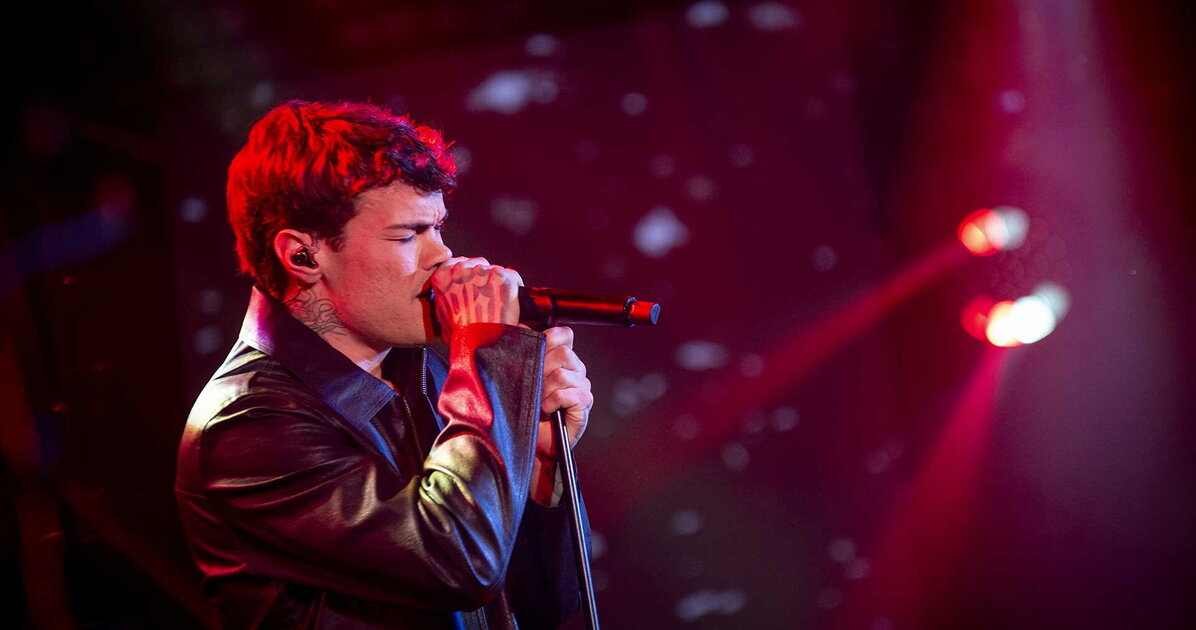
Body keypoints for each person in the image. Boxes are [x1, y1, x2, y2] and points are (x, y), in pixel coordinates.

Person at [175, 100, 593, 630]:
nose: (442, 257)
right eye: (407, 235)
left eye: (438, 228)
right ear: (303, 255)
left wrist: (539, 467)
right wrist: (489, 360)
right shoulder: (248, 426)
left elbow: (543, 604)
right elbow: (458, 566)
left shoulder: (425, 374)